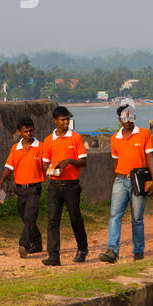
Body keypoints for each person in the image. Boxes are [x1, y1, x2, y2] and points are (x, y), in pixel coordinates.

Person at [100, 100, 153, 263]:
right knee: (114, 215)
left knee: (137, 218)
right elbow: (115, 161)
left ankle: (138, 250)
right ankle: (112, 250)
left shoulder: (144, 134)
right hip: (120, 179)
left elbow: (150, 157)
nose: (128, 122)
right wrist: (114, 180)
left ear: (134, 117)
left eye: (130, 118)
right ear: (119, 120)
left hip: (138, 180)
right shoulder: (115, 139)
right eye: (124, 119)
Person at [41, 106, 89, 266]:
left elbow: (83, 162)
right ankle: (54, 255)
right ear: (55, 121)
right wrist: (51, 171)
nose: (66, 122)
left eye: (67, 119)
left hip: (71, 185)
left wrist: (69, 161)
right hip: (55, 185)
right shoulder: (49, 140)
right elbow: (45, 164)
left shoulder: (75, 138)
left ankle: (82, 248)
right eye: (62, 120)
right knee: (53, 220)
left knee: (75, 218)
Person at [0, 117, 44, 258]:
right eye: (25, 131)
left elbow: (47, 164)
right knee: (25, 217)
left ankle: (24, 244)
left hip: (34, 188)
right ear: (19, 132)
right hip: (20, 189)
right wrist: (2, 181)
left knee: (30, 216)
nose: (29, 134)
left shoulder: (40, 147)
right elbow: (9, 167)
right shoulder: (15, 148)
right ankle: (37, 242)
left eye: (31, 131)